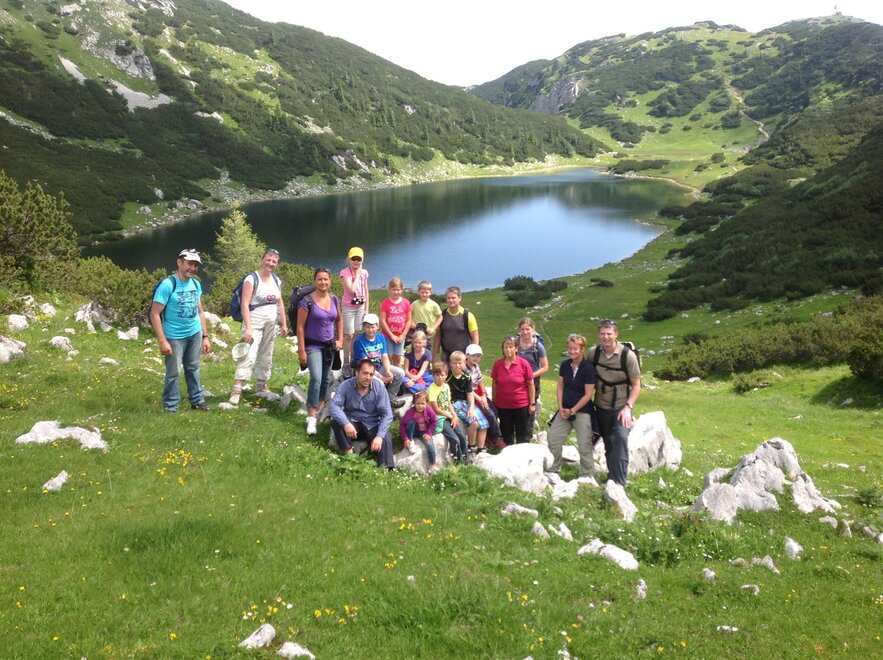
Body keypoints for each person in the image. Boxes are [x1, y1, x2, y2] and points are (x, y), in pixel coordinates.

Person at [149, 248, 212, 412]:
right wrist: (162, 341)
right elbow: (154, 314)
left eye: (196, 265)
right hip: (174, 336)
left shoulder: (196, 284)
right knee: (173, 372)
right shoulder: (168, 285)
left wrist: (205, 336)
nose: (193, 268)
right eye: (190, 264)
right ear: (179, 262)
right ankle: (170, 406)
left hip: (194, 333)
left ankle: (197, 401)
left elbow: (200, 311)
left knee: (193, 367)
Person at [587, 319, 641, 486]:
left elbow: (636, 385)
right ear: (598, 334)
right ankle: (612, 477)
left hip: (621, 407)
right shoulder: (593, 353)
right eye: (603, 333)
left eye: (609, 333)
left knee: (620, 439)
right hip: (600, 406)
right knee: (608, 442)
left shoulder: (628, 356)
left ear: (616, 334)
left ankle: (618, 483)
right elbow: (588, 379)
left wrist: (628, 407)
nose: (606, 337)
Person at [229, 248, 287, 405]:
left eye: (274, 261)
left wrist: (283, 323)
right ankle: (237, 389)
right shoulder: (251, 279)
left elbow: (280, 302)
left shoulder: (276, 280)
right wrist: (248, 327)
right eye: (268, 260)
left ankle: (261, 385)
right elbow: (244, 304)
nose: (270, 263)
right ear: (262, 260)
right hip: (254, 321)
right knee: (248, 353)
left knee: (267, 353)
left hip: (271, 322)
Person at [296, 267, 342, 436]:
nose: (323, 282)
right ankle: (311, 416)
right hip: (313, 346)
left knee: (326, 378)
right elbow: (300, 328)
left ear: (330, 281)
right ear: (315, 281)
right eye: (320, 279)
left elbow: (339, 320)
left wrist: (340, 340)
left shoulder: (334, 299)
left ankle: (320, 405)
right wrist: (301, 351)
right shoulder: (307, 301)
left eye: (326, 279)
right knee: (316, 378)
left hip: (329, 346)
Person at [329, 359, 395, 469]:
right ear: (356, 372)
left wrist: (379, 436)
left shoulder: (379, 387)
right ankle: (349, 456)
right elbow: (333, 406)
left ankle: (386, 469)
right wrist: (346, 423)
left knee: (386, 436)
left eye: (371, 374)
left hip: (372, 424)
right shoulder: (346, 386)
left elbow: (387, 415)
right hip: (352, 424)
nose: (368, 377)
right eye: (365, 373)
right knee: (337, 422)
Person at [547, 334, 597, 477]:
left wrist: (573, 410)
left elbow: (588, 395)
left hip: (582, 411)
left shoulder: (588, 368)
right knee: (553, 439)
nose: (572, 351)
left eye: (575, 348)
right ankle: (554, 468)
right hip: (564, 409)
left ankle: (587, 475)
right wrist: (560, 407)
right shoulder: (565, 365)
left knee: (584, 444)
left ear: (582, 349)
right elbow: (560, 386)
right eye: (570, 348)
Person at [490, 337, 535, 445]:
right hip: (503, 406)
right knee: (506, 434)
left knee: (522, 435)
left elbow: (531, 384)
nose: (508, 350)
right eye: (506, 347)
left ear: (516, 348)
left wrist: (532, 403)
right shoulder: (498, 364)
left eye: (511, 347)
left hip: (521, 405)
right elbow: (494, 383)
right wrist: (494, 400)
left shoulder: (524, 363)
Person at [352, 313, 405, 401]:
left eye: (372, 327)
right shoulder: (359, 341)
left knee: (400, 373)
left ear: (377, 326)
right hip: (364, 370)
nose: (370, 330)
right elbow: (366, 365)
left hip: (379, 367)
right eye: (367, 327)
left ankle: (389, 399)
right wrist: (381, 377)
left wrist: (387, 370)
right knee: (379, 382)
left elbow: (384, 357)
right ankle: (375, 402)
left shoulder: (381, 337)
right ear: (363, 327)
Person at [427, 361, 469, 462]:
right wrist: (450, 417)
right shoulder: (432, 389)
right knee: (455, 440)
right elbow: (436, 409)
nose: (440, 377)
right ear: (433, 376)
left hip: (448, 415)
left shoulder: (446, 386)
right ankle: (458, 461)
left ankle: (466, 460)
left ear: (446, 375)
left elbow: (449, 403)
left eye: (442, 375)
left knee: (462, 437)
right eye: (437, 375)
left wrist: (455, 416)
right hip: (439, 418)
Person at [447, 350, 488, 452]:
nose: (458, 366)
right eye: (455, 363)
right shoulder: (447, 377)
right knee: (473, 423)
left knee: (484, 423)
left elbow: (469, 394)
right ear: (450, 364)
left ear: (464, 363)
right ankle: (471, 446)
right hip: (454, 403)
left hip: (466, 402)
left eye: (460, 363)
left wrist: (471, 408)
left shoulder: (466, 376)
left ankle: (480, 449)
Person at [464, 343, 503, 445]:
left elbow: (480, 382)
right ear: (467, 355)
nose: (476, 358)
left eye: (478, 356)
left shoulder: (476, 367)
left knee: (495, 411)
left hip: (478, 393)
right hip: (469, 395)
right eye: (473, 356)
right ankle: (496, 437)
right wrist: (480, 399)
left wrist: (484, 395)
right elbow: (467, 389)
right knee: (489, 413)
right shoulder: (464, 369)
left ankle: (488, 436)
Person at [516, 317, 549, 434]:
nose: (525, 332)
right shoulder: (516, 343)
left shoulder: (538, 346)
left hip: (533, 381)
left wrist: (531, 375)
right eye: (522, 329)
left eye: (527, 329)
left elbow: (545, 366)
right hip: (517, 380)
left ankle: (527, 434)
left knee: (530, 407)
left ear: (533, 329)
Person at [340, 246, 369, 371]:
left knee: (357, 333)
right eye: (353, 259)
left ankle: (354, 359)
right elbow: (351, 289)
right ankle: (346, 363)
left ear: (362, 260)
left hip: (360, 306)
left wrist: (367, 308)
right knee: (349, 335)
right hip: (348, 307)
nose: (356, 261)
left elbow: (366, 290)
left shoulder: (364, 273)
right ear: (349, 259)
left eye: (359, 259)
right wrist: (357, 274)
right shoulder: (345, 273)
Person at [433, 286, 479, 362]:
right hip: (446, 357)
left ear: (459, 298)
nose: (451, 300)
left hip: (463, 357)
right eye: (448, 298)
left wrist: (471, 356)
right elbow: (437, 337)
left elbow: (475, 338)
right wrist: (434, 356)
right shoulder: (442, 315)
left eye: (453, 298)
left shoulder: (467, 315)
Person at [399, 391, 439, 473]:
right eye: (418, 403)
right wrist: (405, 438)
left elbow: (434, 422)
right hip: (413, 431)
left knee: (430, 445)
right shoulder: (410, 412)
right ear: (414, 403)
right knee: (411, 422)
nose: (420, 406)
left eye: (423, 403)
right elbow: (402, 425)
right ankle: (411, 440)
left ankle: (433, 465)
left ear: (427, 403)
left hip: (423, 432)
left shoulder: (429, 410)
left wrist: (429, 433)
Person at [379, 277, 412, 368]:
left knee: (397, 358)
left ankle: (397, 375)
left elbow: (409, 320)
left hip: (400, 336)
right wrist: (391, 335)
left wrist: (403, 335)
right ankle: (388, 374)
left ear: (402, 290)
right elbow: (382, 320)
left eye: (398, 290)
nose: (396, 292)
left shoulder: (406, 303)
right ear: (389, 289)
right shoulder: (385, 303)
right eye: (393, 290)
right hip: (388, 336)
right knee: (388, 357)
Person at [403, 329, 434, 394]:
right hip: (411, 374)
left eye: (419, 343)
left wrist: (415, 379)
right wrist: (411, 378)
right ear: (412, 342)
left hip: (423, 375)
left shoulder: (427, 353)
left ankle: (418, 389)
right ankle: (424, 390)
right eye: (415, 342)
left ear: (424, 342)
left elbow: (422, 370)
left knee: (433, 380)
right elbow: (406, 370)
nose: (417, 345)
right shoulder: (408, 353)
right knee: (404, 380)